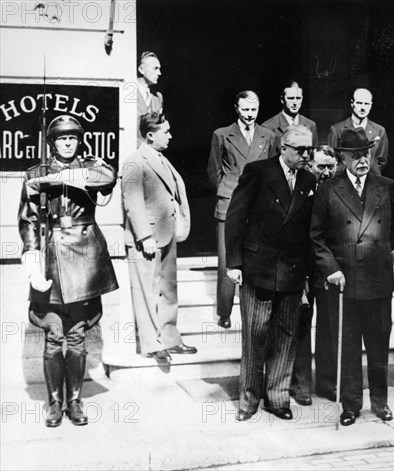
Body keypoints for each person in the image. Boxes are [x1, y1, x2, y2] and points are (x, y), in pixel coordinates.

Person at [18, 115, 119, 427]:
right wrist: (32, 262)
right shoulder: (36, 173)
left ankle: (74, 402)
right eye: (62, 139)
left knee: (77, 335)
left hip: (85, 260)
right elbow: (29, 221)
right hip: (50, 256)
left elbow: (109, 176)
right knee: (53, 334)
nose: (67, 143)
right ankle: (54, 403)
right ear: (52, 143)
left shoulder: (91, 168)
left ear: (79, 140)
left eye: (73, 138)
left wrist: (71, 178)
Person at [311, 128, 394, 426]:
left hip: (378, 281)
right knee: (348, 347)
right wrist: (332, 268)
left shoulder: (386, 186)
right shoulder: (329, 188)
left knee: (378, 345)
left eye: (366, 153)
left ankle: (381, 402)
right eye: (355, 155)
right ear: (343, 158)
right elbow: (316, 236)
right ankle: (350, 404)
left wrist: (377, 256)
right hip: (344, 282)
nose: (362, 159)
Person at [225, 125, 316, 422]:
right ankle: (249, 400)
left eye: (309, 150)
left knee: (286, 336)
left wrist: (306, 275)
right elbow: (236, 217)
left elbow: (309, 230)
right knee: (255, 335)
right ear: (283, 148)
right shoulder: (258, 172)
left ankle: (277, 397)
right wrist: (234, 263)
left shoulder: (309, 179)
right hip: (258, 267)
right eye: (300, 150)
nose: (306, 155)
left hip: (292, 271)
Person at [122, 112, 196, 363]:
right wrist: (144, 237)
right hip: (148, 239)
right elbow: (133, 202)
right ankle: (152, 344)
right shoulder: (135, 161)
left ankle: (170, 338)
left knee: (168, 289)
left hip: (167, 234)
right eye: (166, 131)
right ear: (151, 135)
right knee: (147, 292)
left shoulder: (161, 159)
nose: (171, 135)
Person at [207, 91, 277, 329]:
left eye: (253, 110)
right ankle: (224, 312)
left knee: (256, 256)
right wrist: (230, 191)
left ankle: (256, 309)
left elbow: (273, 169)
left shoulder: (268, 136)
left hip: (259, 205)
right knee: (228, 259)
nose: (249, 115)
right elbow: (214, 171)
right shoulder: (222, 135)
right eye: (245, 110)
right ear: (236, 109)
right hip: (229, 204)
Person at [289, 145, 339, 406]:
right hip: (301, 270)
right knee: (301, 328)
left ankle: (327, 382)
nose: (327, 172)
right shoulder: (299, 192)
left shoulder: (340, 192)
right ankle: (301, 385)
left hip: (329, 270)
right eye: (321, 167)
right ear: (310, 166)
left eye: (331, 167)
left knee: (329, 327)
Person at [327, 88, 389, 175]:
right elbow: (332, 158)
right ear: (352, 103)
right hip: (344, 180)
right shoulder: (337, 129)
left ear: (371, 105)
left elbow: (382, 161)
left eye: (366, 104)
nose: (363, 108)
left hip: (372, 180)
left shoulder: (380, 130)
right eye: (359, 103)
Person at [261, 81, 318, 153]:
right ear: (282, 99)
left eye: (298, 98)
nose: (295, 102)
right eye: (291, 98)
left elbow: (313, 157)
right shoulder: (268, 127)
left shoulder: (311, 125)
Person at [137, 51, 164, 146]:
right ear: (141, 69)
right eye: (155, 68)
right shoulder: (128, 94)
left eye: (159, 69)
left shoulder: (157, 98)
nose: (159, 73)